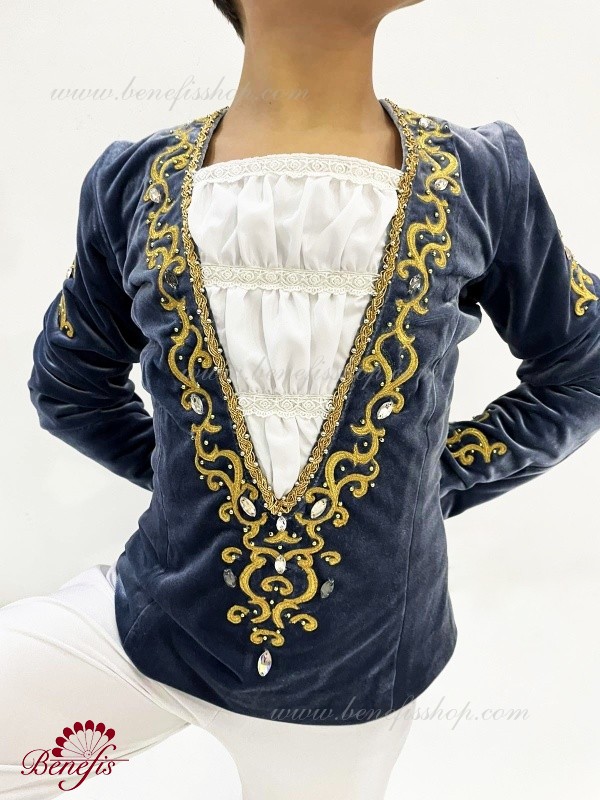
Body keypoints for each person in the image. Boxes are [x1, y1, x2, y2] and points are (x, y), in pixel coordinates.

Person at [2, 1, 600, 798]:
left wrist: (428, 479)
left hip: (355, 683)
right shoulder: (135, 184)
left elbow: (582, 366)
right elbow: (69, 387)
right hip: (151, 624)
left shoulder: (479, 177)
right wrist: (192, 487)